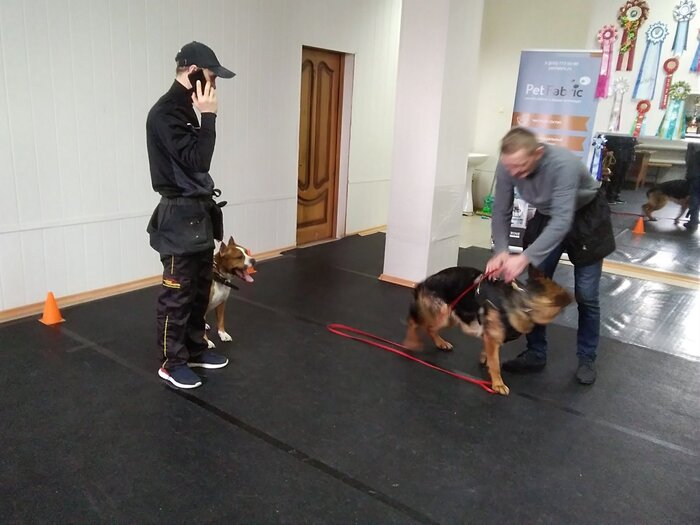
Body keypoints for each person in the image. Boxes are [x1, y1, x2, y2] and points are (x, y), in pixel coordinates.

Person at [485, 127, 616, 385]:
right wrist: (501, 250)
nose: (514, 174)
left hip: (586, 216)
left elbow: (562, 220)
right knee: (535, 289)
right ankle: (536, 352)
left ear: (538, 154)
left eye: (520, 167)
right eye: (510, 167)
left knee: (586, 295)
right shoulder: (508, 165)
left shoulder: (563, 164)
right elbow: (501, 210)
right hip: (547, 216)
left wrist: (524, 257)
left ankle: (587, 357)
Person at [146, 41, 235, 389]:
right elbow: (199, 161)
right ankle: (172, 362)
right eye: (212, 75)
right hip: (177, 218)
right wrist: (210, 116)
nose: (214, 83)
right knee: (177, 296)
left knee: (199, 291)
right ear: (194, 72)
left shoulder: (185, 109)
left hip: (198, 214)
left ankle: (195, 348)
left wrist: (203, 114)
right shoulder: (165, 113)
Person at [684, 141, 700, 232]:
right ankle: (694, 220)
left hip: (696, 177)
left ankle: (693, 221)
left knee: (695, 199)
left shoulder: (694, 146)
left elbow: (689, 162)